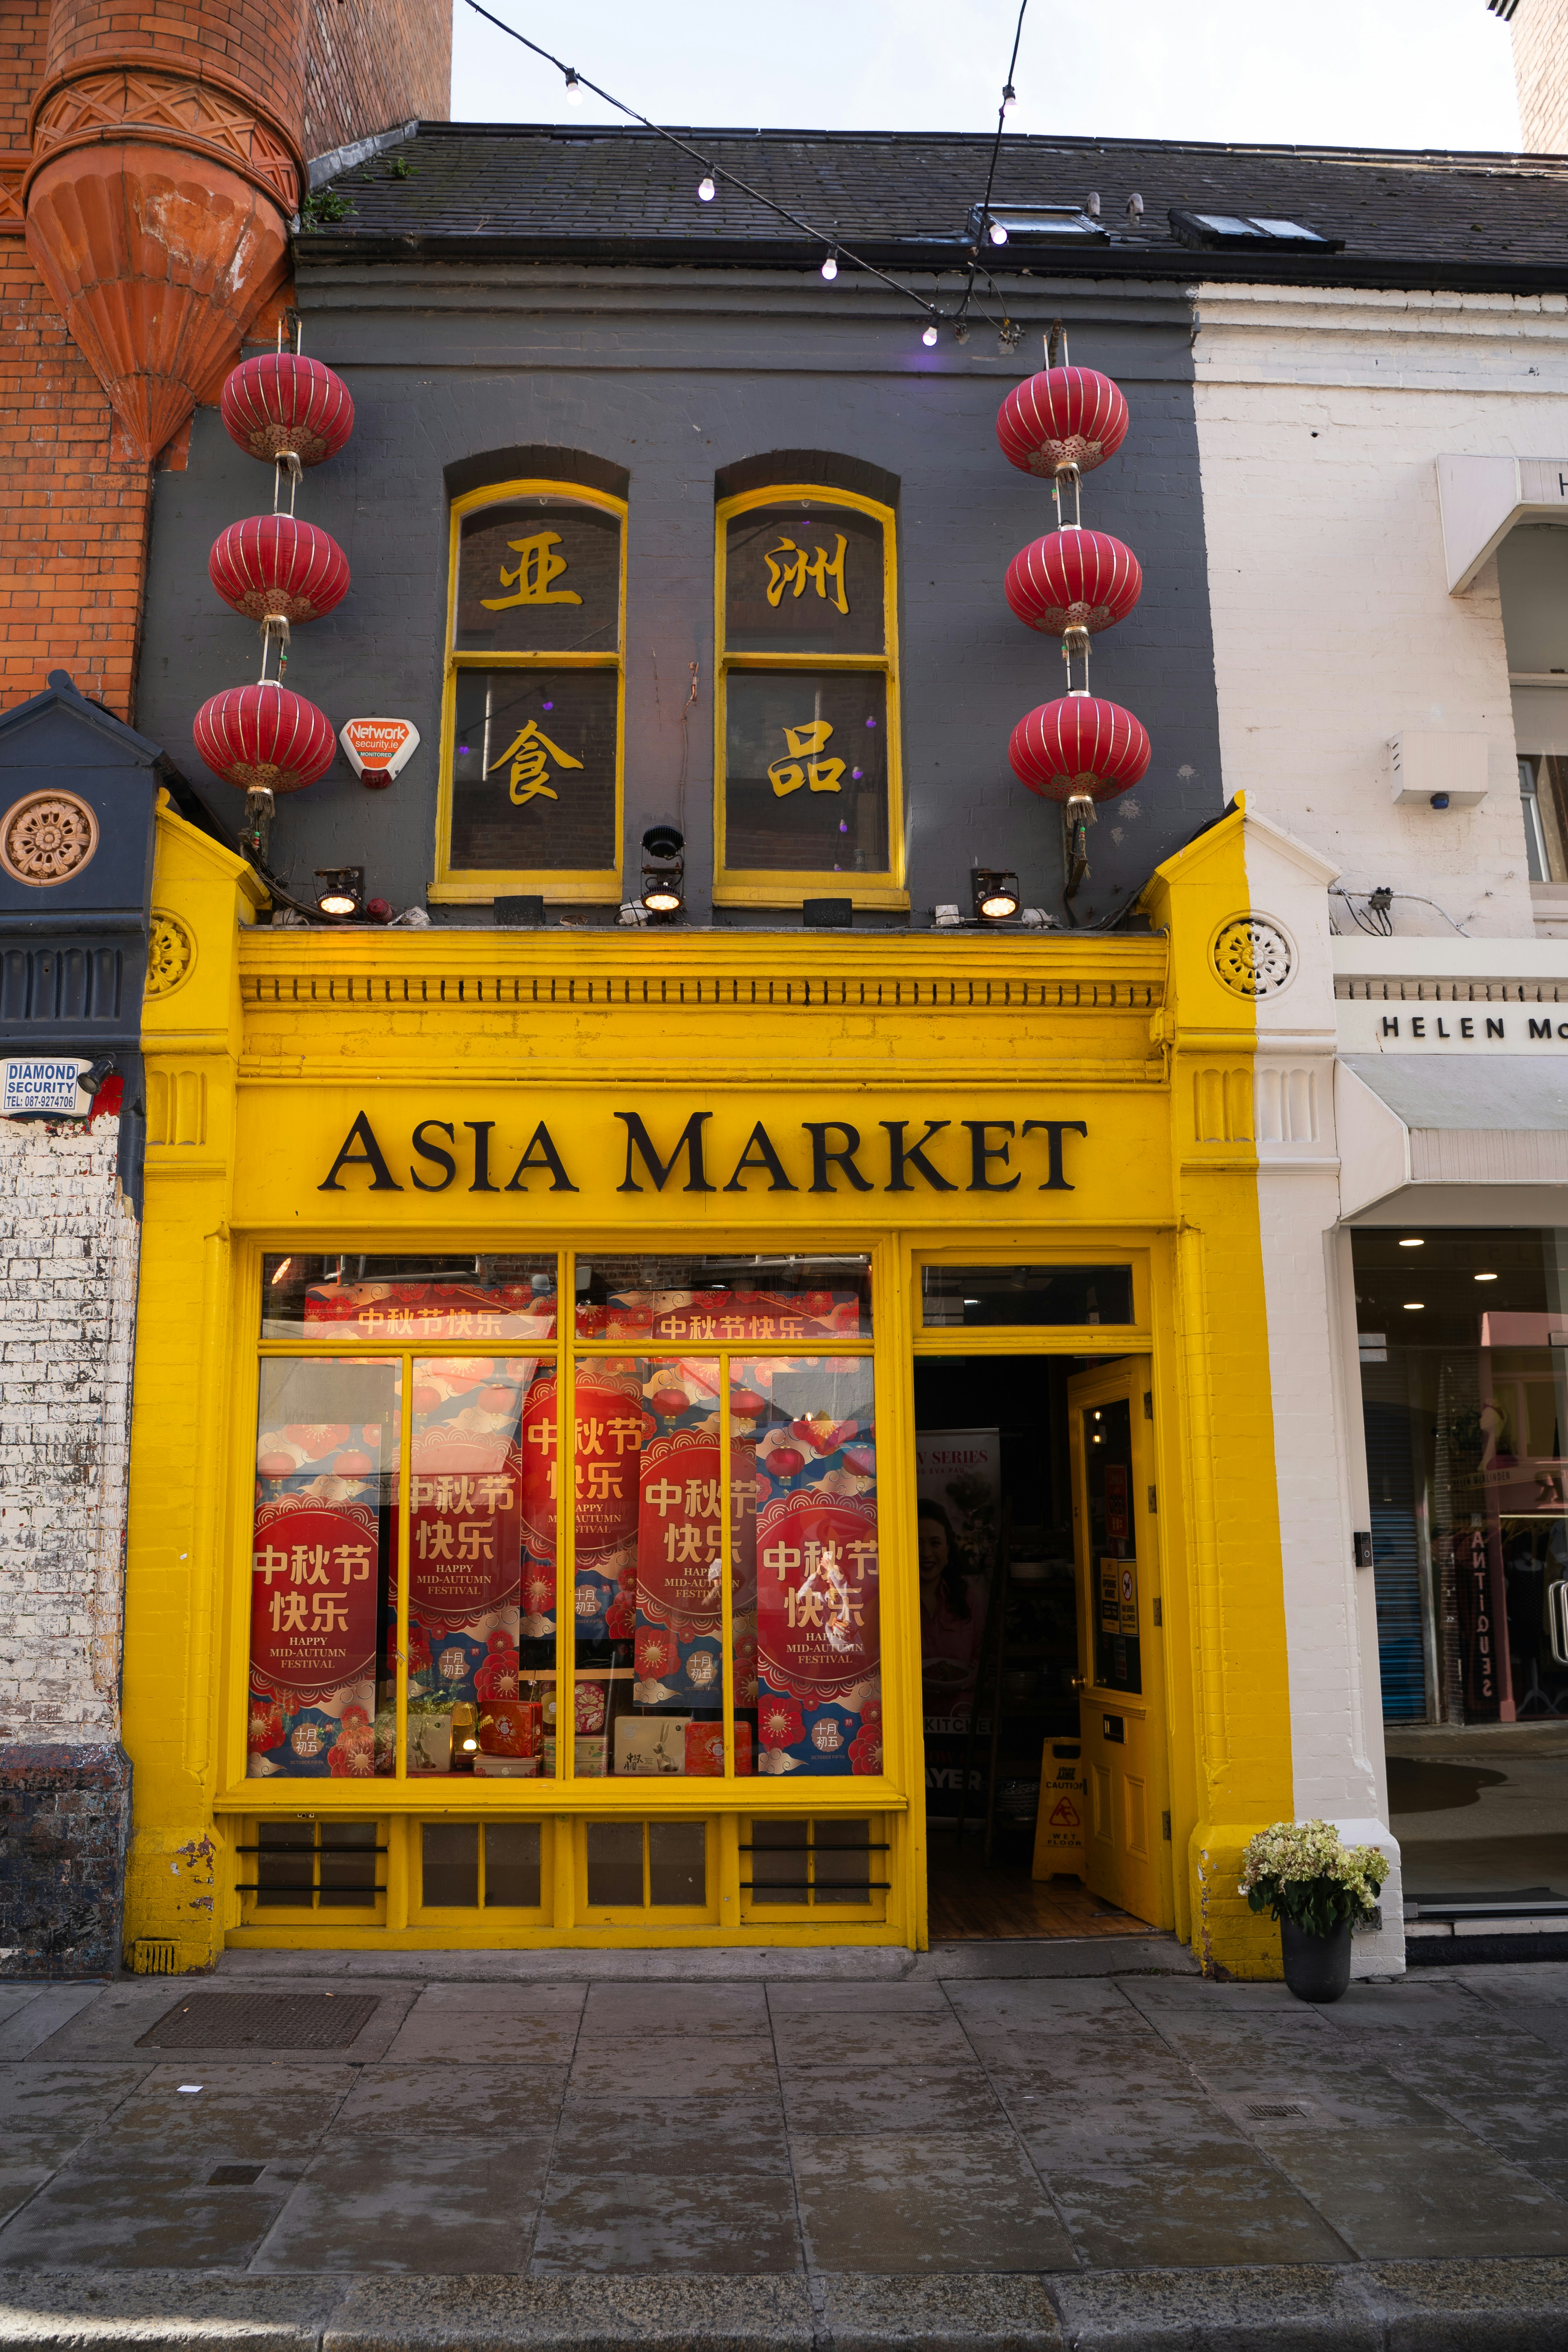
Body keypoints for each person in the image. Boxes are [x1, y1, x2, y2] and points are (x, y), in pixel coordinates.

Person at [918, 1497, 988, 1725]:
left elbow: (984, 1656)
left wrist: (979, 1674)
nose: (925, 1552)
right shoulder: (889, 1602)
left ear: (948, 1548)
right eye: (917, 1542)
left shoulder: (969, 1600)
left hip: (961, 1721)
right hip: (909, 1724)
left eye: (935, 1543)